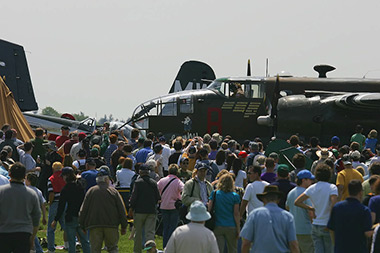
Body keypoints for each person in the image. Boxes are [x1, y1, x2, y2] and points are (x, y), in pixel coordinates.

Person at [79, 168, 127, 252]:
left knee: (95, 249)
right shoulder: (113, 191)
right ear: (106, 179)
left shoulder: (91, 191)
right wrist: (124, 225)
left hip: (94, 225)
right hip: (111, 224)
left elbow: (83, 209)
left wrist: (82, 224)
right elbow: (121, 209)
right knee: (113, 248)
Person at [240, 185, 299, 253]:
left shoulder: (254, 215)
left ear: (263, 199)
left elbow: (246, 243)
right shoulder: (288, 217)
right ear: (278, 200)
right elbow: (293, 244)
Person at [295, 163, 338, 253]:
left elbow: (297, 202)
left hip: (315, 224)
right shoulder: (332, 188)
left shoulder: (311, 188)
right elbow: (334, 204)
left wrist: (311, 208)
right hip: (327, 224)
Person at [0, 162, 41, 252]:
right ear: (24, 176)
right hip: (23, 233)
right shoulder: (31, 194)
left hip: (4, 232)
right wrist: (32, 237)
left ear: (9, 174)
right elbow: (36, 218)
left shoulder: (2, 192)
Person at [52, 167, 90, 253]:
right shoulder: (80, 186)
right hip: (81, 216)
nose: (63, 178)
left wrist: (55, 219)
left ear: (67, 176)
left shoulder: (65, 189)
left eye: (63, 176)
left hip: (70, 217)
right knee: (85, 241)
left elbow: (61, 206)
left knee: (71, 242)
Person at [327, 180, 373, 253]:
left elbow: (331, 229)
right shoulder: (364, 210)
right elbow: (368, 233)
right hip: (358, 249)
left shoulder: (337, 207)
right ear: (360, 193)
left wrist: (335, 244)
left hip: (340, 249)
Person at [129, 164, 161, 253]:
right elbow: (158, 197)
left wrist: (131, 207)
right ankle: (150, 251)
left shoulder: (138, 182)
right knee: (150, 234)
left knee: (138, 234)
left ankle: (137, 251)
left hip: (139, 211)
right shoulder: (154, 183)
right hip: (151, 211)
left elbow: (134, 197)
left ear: (140, 172)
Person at [208, 173, 240, 253]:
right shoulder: (235, 196)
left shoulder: (215, 194)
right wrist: (238, 228)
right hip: (231, 226)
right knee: (232, 249)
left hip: (218, 225)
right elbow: (236, 213)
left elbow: (209, 209)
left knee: (218, 250)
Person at [286, 170, 315, 253]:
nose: (311, 182)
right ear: (303, 180)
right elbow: (310, 213)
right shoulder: (306, 194)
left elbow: (287, 207)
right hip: (306, 230)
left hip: (293, 230)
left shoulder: (291, 192)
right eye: (310, 180)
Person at [157, 164, 184, 248]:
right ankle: (171, 246)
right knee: (172, 227)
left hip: (164, 205)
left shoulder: (162, 180)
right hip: (174, 206)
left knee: (166, 227)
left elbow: (156, 188)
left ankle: (165, 245)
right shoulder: (178, 181)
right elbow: (184, 189)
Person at [47, 161, 68, 252]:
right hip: (65, 203)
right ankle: (69, 245)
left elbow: (51, 193)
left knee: (51, 227)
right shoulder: (65, 178)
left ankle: (51, 248)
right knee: (66, 225)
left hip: (55, 202)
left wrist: (50, 202)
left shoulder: (51, 178)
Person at [25, 172, 47, 253]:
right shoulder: (38, 191)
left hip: (27, 215)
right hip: (36, 215)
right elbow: (43, 205)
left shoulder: (26, 190)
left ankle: (35, 250)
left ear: (28, 180)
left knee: (30, 235)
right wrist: (44, 217)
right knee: (33, 234)